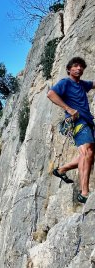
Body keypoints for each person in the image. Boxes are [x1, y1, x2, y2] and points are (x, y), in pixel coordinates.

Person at [47, 57, 95, 204]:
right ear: (69, 69)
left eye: (81, 66)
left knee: (90, 155)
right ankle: (84, 193)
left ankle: (61, 170)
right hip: (78, 122)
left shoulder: (81, 84)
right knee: (86, 153)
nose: (78, 68)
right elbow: (51, 94)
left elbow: (93, 84)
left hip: (88, 122)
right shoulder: (65, 82)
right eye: (75, 66)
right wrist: (68, 108)